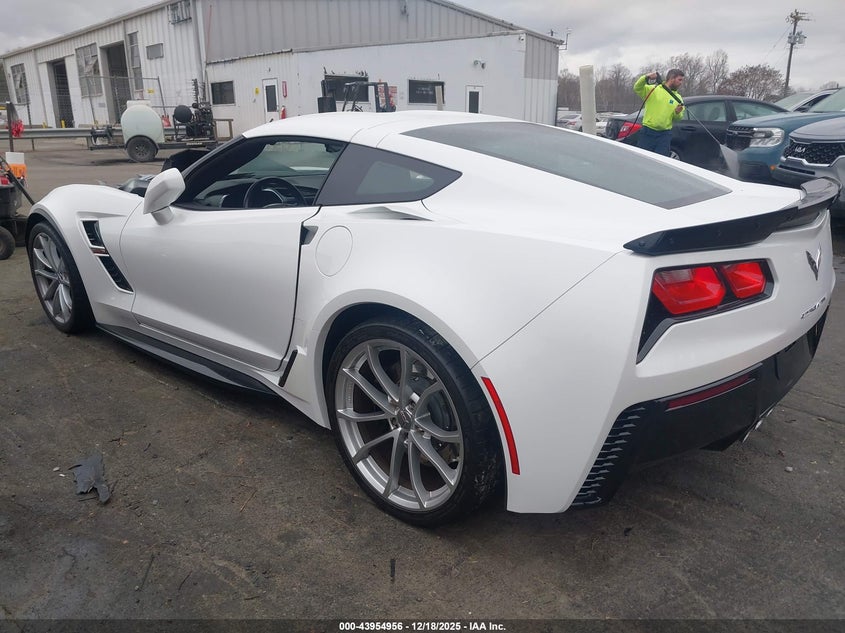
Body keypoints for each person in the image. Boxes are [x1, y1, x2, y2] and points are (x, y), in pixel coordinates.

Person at [632, 68, 685, 156]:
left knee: (661, 161)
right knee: (643, 159)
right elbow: (637, 87)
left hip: (664, 135)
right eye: (679, 80)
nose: (681, 83)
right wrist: (647, 77)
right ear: (672, 78)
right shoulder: (654, 89)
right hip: (648, 132)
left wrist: (677, 113)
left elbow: (678, 118)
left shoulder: (678, 98)